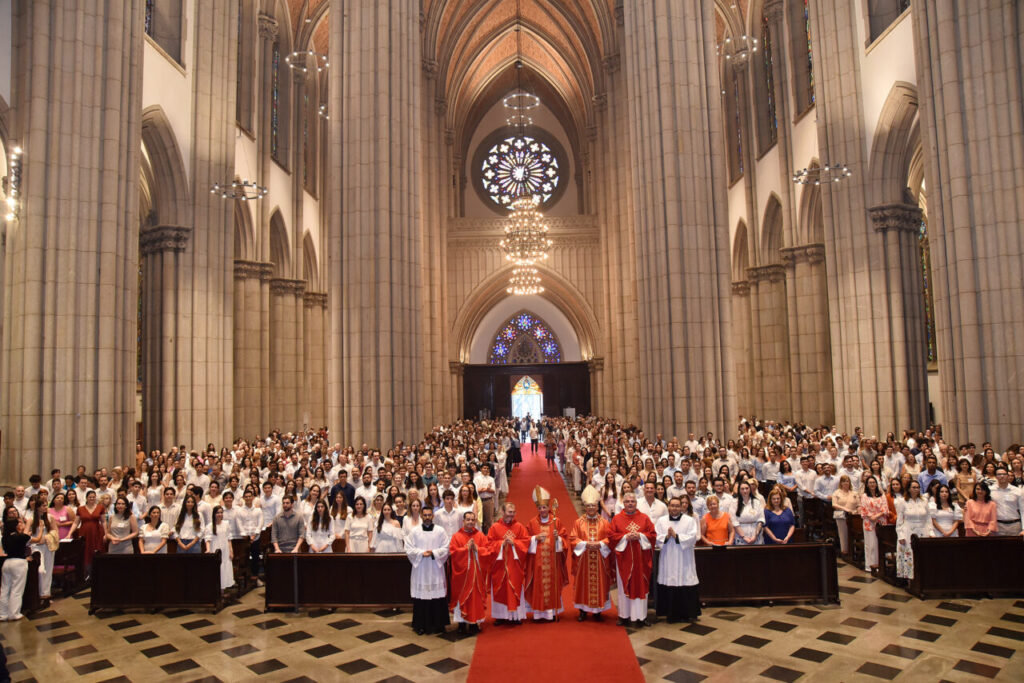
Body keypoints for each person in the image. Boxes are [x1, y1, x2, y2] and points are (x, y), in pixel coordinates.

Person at [609, 491, 656, 627]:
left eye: (633, 501)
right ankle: (623, 616)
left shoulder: (644, 518)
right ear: (623, 503)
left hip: (641, 561)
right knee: (624, 586)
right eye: (628, 501)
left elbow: (652, 535)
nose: (630, 504)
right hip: (624, 560)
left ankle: (641, 617)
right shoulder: (617, 519)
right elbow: (611, 536)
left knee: (641, 586)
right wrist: (625, 537)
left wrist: (640, 536)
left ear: (636, 503)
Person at [524, 485, 569, 621]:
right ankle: (538, 613)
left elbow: (564, 539)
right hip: (537, 561)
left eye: (544, 507)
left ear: (549, 508)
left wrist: (558, 539)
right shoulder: (532, 523)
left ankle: (551, 613)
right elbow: (525, 540)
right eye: (540, 508)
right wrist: (534, 538)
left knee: (552, 584)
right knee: (538, 585)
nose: (542, 510)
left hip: (552, 560)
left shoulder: (556, 521)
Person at [568, 486, 613, 621]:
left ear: (597, 506)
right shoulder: (578, 523)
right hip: (584, 560)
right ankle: (582, 610)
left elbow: (610, 538)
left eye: (593, 505)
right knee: (583, 583)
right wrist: (585, 544)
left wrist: (600, 544)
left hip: (600, 559)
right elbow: (572, 539)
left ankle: (597, 611)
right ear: (585, 507)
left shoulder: (605, 523)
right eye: (588, 506)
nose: (591, 508)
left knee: (600, 583)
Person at [654, 496, 701, 623]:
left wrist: (676, 536)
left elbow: (693, 537)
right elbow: (656, 537)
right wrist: (667, 536)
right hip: (668, 556)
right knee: (669, 581)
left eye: (676, 506)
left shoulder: (690, 520)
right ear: (668, 507)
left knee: (685, 580)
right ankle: (669, 613)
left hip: (684, 556)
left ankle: (687, 614)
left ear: (681, 507)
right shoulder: (661, 521)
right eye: (672, 505)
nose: (674, 508)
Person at [405, 507, 451, 635]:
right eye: (424, 515)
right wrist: (421, 553)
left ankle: (439, 625)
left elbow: (446, 548)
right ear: (421, 516)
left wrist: (433, 553)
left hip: (435, 568)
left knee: (438, 597)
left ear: (433, 516)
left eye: (429, 515)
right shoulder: (415, 532)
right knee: (421, 598)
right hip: (421, 569)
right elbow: (408, 548)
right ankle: (420, 625)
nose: (427, 517)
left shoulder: (440, 531)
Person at [486, 502, 530, 625]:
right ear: (503, 512)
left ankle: (516, 616)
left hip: (515, 566)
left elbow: (526, 543)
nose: (512, 515)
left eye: (513, 512)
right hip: (500, 566)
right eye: (509, 512)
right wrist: (501, 544)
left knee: (514, 588)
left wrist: (514, 543)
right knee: (500, 588)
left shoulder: (520, 527)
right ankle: (500, 616)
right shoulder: (494, 527)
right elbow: (488, 544)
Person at [448, 511, 492, 634]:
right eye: (468, 520)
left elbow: (488, 551)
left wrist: (477, 549)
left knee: (475, 599)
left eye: (473, 520)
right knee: (462, 597)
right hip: (462, 577)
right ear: (463, 521)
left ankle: (474, 623)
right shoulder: (456, 536)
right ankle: (461, 624)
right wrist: (466, 549)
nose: (471, 522)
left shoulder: (480, 536)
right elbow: (453, 552)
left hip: (477, 575)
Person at [896, 481, 929, 580]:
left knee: (922, 554)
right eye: (914, 487)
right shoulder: (902, 501)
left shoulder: (924, 501)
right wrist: (900, 535)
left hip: (922, 530)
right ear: (909, 489)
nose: (916, 489)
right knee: (909, 554)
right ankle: (910, 578)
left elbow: (928, 518)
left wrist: (930, 532)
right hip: (908, 531)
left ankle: (922, 578)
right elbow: (899, 520)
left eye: (918, 487)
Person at [0, 517, 30, 621]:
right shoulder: (19, 537)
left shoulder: (4, 538)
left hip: (7, 562)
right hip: (19, 563)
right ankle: (14, 613)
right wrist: (27, 524)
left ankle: (2, 614)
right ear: (16, 526)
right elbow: (27, 536)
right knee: (17, 589)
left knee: (4, 589)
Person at [27, 497, 56, 600]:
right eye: (43, 506)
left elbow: (55, 532)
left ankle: (46, 593)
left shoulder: (50, 517)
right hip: (36, 547)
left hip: (48, 546)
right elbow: (26, 535)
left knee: (48, 570)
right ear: (38, 507)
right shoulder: (31, 519)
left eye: (46, 505)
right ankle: (38, 593)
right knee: (41, 570)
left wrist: (46, 538)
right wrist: (34, 536)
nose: (45, 508)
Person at [859, 476, 888, 571]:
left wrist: (877, 515)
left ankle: (881, 565)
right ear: (867, 484)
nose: (872, 484)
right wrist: (871, 517)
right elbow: (863, 509)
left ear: (876, 484)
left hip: (881, 522)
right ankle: (870, 565)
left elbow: (885, 508)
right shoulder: (864, 496)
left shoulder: (882, 495)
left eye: (873, 482)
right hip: (869, 522)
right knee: (871, 545)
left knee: (880, 544)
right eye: (870, 482)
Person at [205, 506, 235, 591]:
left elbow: (229, 539)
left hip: (225, 549)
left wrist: (231, 551)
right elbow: (207, 540)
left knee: (225, 567)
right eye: (218, 512)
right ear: (214, 514)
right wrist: (208, 550)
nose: (220, 514)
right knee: (217, 568)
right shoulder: (209, 526)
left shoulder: (226, 524)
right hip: (215, 548)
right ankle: (215, 588)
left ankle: (223, 588)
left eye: (221, 512)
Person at [76, 490, 106, 572]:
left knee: (96, 549)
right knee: (85, 551)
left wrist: (106, 533)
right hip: (84, 532)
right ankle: (86, 573)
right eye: (90, 497)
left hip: (97, 532)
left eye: (93, 497)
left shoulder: (100, 507)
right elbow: (76, 523)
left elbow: (103, 521)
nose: (92, 498)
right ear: (86, 498)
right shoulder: (80, 509)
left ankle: (98, 571)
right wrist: (69, 534)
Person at [990, 466, 1024, 536]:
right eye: (999, 474)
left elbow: (1023, 510)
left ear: (1008, 476)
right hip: (998, 525)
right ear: (995, 476)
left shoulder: (1017, 491)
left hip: (1015, 525)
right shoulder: (990, 490)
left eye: (1004, 474)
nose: (1002, 476)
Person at [831, 474, 861, 555]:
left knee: (854, 533)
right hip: (841, 515)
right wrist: (846, 509)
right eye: (843, 481)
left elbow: (859, 505)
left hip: (853, 516)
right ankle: (844, 550)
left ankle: (853, 550)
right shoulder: (836, 493)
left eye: (847, 481)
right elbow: (834, 504)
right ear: (841, 483)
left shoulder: (854, 493)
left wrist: (858, 511)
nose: (845, 483)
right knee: (843, 533)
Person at [732, 481, 764, 545]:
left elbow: (761, 519)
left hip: (756, 536)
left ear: (750, 489)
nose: (745, 491)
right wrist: (744, 537)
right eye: (742, 489)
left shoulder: (756, 502)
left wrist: (755, 535)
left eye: (747, 488)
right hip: (741, 536)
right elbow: (734, 521)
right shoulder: (734, 503)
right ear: (739, 490)